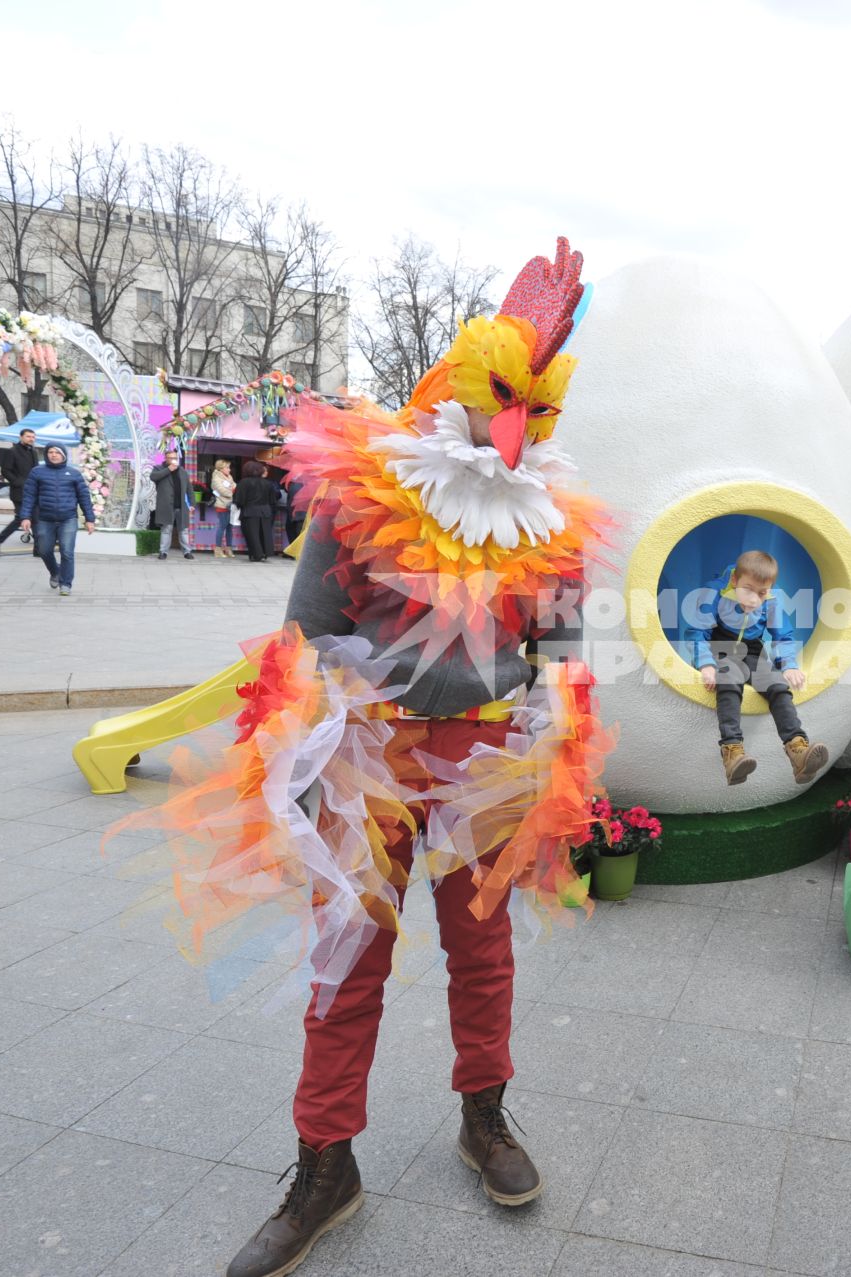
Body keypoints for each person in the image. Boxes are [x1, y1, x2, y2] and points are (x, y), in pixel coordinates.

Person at [120, 239, 607, 1277]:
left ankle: (486, 1118)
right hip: (369, 746)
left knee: (484, 952)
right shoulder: (363, 488)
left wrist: (559, 707)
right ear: (469, 389)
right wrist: (300, 745)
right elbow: (304, 633)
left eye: (543, 409)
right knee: (347, 960)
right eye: (507, 402)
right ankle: (324, 1162)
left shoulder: (555, 522)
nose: (521, 430)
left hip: (488, 753)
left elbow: (562, 642)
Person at [686, 550, 829, 785]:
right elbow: (697, 630)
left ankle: (798, 751)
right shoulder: (715, 592)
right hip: (719, 649)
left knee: (778, 686)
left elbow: (783, 635)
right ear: (734, 581)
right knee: (730, 681)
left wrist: (789, 665)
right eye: (748, 590)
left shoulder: (770, 601)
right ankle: (732, 752)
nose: (754, 599)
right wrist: (706, 665)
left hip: (751, 651)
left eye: (761, 593)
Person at [18, 443, 96, 596]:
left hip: (68, 519)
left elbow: (84, 497)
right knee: (44, 550)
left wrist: (89, 519)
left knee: (67, 552)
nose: (53, 455)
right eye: (50, 452)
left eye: (57, 452)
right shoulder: (37, 472)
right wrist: (25, 516)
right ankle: (55, 572)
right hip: (44, 519)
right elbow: (29, 496)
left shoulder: (73, 473)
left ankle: (65, 583)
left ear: (64, 455)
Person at [0, 427, 38, 555]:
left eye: (33, 437)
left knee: (36, 518)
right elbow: (5, 471)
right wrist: (17, 482)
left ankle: (38, 549)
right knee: (21, 518)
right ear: (21, 437)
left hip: (33, 491)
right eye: (28, 436)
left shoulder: (33, 451)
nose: (31, 439)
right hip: (19, 492)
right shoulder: (12, 451)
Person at [149, 450, 196, 561]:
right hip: (166, 506)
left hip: (181, 506)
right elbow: (153, 477)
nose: (173, 460)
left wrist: (192, 503)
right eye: (171, 458)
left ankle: (187, 552)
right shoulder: (159, 469)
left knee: (183, 530)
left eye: (175, 458)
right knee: (166, 529)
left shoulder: (182, 471)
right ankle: (163, 552)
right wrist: (168, 470)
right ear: (166, 458)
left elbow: (189, 488)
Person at [233, 460, 278, 562]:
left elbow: (239, 500)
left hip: (250, 511)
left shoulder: (244, 482)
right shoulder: (268, 483)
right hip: (265, 511)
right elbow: (273, 500)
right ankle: (265, 553)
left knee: (252, 534)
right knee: (265, 533)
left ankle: (256, 554)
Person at [209, 458, 238, 558]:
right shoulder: (216, 478)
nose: (229, 470)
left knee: (230, 528)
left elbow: (235, 487)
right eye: (227, 467)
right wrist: (233, 491)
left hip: (231, 505)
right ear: (221, 468)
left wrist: (233, 490)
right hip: (222, 505)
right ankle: (218, 549)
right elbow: (223, 491)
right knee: (222, 527)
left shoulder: (229, 477)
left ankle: (228, 549)